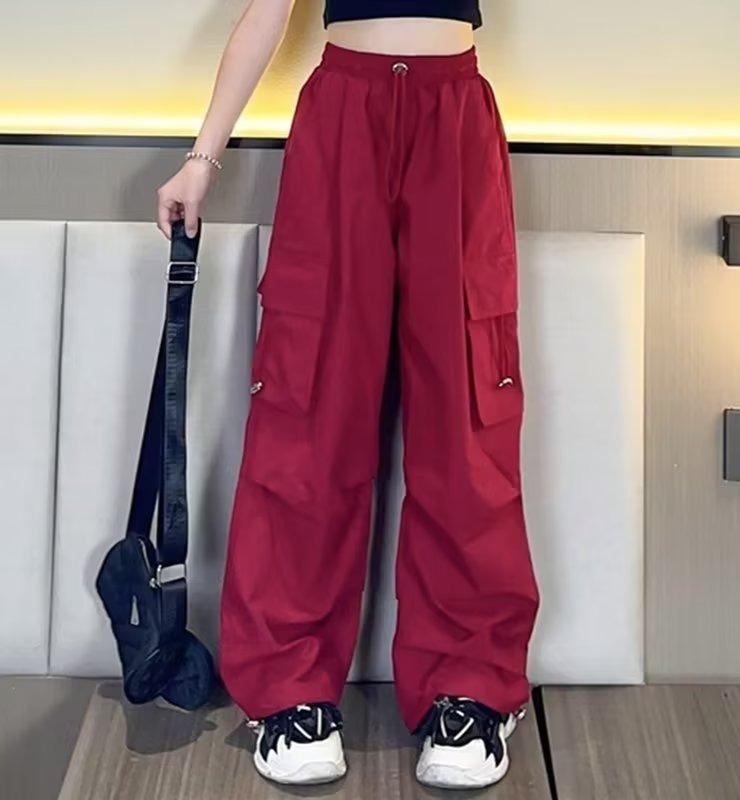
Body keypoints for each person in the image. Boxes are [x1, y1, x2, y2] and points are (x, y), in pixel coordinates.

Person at [156, 0, 539, 790]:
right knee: (308, 406)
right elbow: (267, 12)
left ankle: (469, 686)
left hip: (455, 116)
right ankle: (290, 688)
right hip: (342, 115)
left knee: (466, 417)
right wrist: (202, 157)